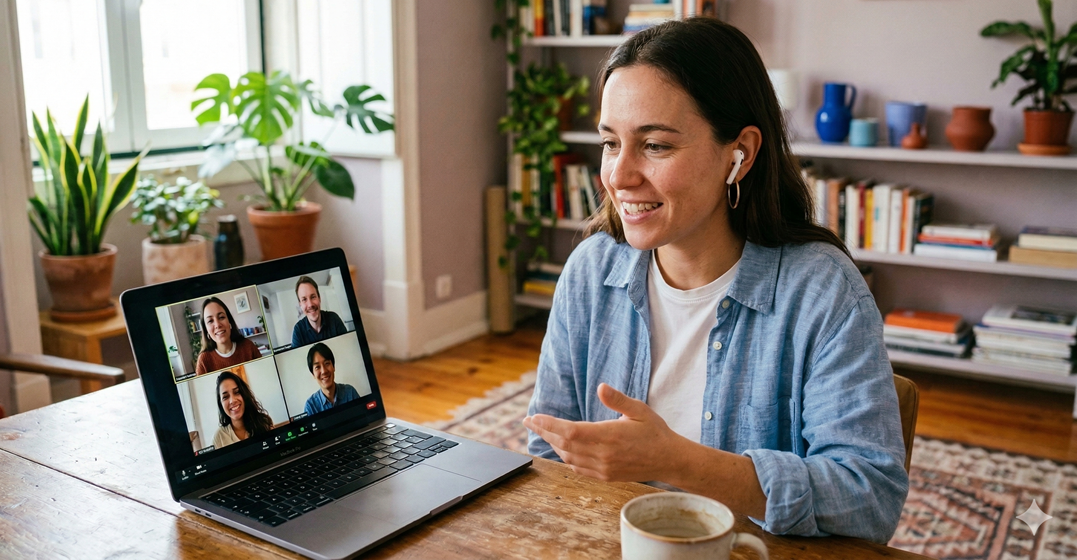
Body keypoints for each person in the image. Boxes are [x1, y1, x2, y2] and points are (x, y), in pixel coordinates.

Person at [522, 18, 908, 543]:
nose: (618, 175)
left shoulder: (822, 291)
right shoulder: (592, 270)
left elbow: (869, 498)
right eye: (612, 143)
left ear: (740, 153)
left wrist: (682, 464)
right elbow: (549, 454)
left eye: (655, 145)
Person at [196, 297, 263, 375]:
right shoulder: (204, 361)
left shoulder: (248, 346)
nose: (217, 325)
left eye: (221, 317)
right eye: (210, 321)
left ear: (229, 322)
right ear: (206, 329)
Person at [212, 370, 274, 449]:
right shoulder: (219, 437)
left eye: (237, 392)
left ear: (244, 395)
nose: (232, 400)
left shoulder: (264, 422)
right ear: (221, 404)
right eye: (225, 397)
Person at [302, 342, 359, 416]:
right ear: (313, 374)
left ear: (333, 367)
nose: (324, 371)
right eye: (317, 367)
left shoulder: (350, 392)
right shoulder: (310, 406)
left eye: (327, 363)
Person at [291, 276, 348, 348]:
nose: (310, 304)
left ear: (319, 298)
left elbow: (347, 346)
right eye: (304, 299)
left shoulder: (334, 319)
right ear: (300, 305)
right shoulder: (298, 330)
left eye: (313, 297)